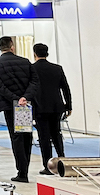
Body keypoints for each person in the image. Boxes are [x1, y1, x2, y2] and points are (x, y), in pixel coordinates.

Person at [0, 36, 39, 183]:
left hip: (10, 106)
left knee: (16, 138)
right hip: (25, 106)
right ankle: (25, 169)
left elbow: (0, 87)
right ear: (12, 47)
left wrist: (15, 99)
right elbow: (34, 81)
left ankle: (22, 172)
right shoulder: (25, 62)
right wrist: (24, 98)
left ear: (0, 48)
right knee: (26, 137)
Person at [31, 43, 72, 173]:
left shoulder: (31, 69)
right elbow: (65, 88)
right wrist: (68, 105)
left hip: (40, 107)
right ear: (47, 53)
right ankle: (62, 160)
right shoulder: (57, 68)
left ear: (34, 54)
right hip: (56, 106)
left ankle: (47, 166)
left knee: (44, 137)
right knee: (56, 134)